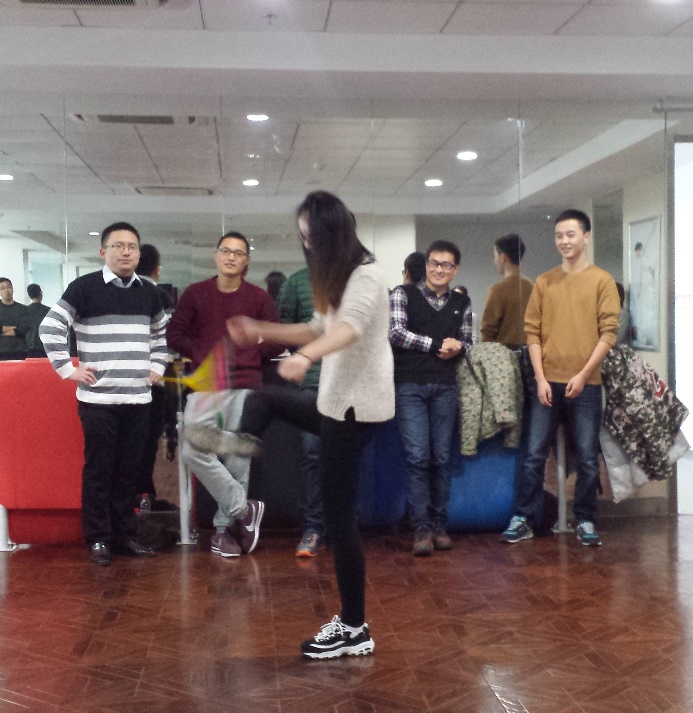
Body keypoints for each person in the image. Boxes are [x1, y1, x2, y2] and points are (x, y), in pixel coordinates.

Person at [225, 190, 393, 659]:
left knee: (339, 521)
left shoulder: (367, 275)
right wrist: (263, 331)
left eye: (311, 236)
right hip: (334, 403)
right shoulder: (337, 276)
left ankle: (354, 628)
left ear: (333, 233)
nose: (307, 245)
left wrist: (305, 358)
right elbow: (320, 326)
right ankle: (236, 444)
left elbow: (348, 329)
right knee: (265, 398)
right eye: (302, 237)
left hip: (355, 409)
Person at [38, 222, 169, 566]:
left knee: (129, 473)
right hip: (98, 401)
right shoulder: (84, 288)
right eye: (118, 246)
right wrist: (67, 369)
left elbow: (160, 334)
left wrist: (158, 365)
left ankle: (124, 535)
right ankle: (98, 538)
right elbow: (50, 326)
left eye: (132, 246)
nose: (126, 252)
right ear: (103, 252)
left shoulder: (149, 292)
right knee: (100, 470)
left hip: (138, 399)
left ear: (139, 253)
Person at [502, 209, 620, 547]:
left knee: (587, 457)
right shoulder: (544, 281)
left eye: (571, 234)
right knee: (534, 455)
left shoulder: (602, 281)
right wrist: (540, 378)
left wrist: (583, 374)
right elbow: (532, 333)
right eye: (559, 236)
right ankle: (525, 518)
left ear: (586, 236)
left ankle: (585, 519)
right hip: (546, 383)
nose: (564, 241)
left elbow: (608, 334)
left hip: (587, 384)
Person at [167, 231, 280, 558]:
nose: (231, 257)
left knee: (236, 460)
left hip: (246, 386)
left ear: (246, 260)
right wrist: (204, 355)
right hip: (206, 387)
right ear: (216, 256)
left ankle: (223, 532)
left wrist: (250, 354)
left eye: (238, 253)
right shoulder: (195, 294)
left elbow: (277, 339)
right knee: (193, 450)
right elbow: (175, 334)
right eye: (226, 251)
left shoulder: (258, 297)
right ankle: (243, 510)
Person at [389, 241, 472, 556]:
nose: (440, 269)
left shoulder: (462, 303)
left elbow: (468, 341)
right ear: (425, 265)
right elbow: (396, 332)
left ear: (455, 269)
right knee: (417, 457)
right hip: (409, 386)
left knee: (441, 458)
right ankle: (421, 528)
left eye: (446, 265)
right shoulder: (402, 294)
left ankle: (439, 525)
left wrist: (458, 348)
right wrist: (436, 345)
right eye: (434, 263)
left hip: (445, 386)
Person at [277, 264, 327, 558]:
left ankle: (345, 526)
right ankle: (313, 528)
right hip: (313, 383)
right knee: (311, 455)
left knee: (350, 458)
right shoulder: (297, 282)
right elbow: (285, 330)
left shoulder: (359, 278)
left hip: (352, 385)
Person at [131, 244, 180, 507]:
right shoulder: (160, 296)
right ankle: (143, 493)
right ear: (157, 270)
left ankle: (128, 498)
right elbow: (168, 343)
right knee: (148, 441)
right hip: (154, 381)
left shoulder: (118, 292)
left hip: (121, 382)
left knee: (126, 443)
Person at [480, 234, 535, 348]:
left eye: (495, 256)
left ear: (503, 257)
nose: (495, 261)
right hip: (531, 353)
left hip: (504, 354)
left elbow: (487, 330)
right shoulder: (533, 287)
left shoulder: (497, 290)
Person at [0, 278, 29, 361]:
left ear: (13, 289)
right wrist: (15, 328)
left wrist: (0, 332)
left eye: (9, 287)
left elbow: (23, 330)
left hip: (20, 350)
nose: (6, 290)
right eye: (2, 288)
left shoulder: (23, 309)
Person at [22, 284, 50, 359]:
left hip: (29, 348)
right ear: (41, 293)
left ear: (29, 295)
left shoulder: (24, 311)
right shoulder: (48, 311)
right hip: (46, 347)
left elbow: (22, 330)